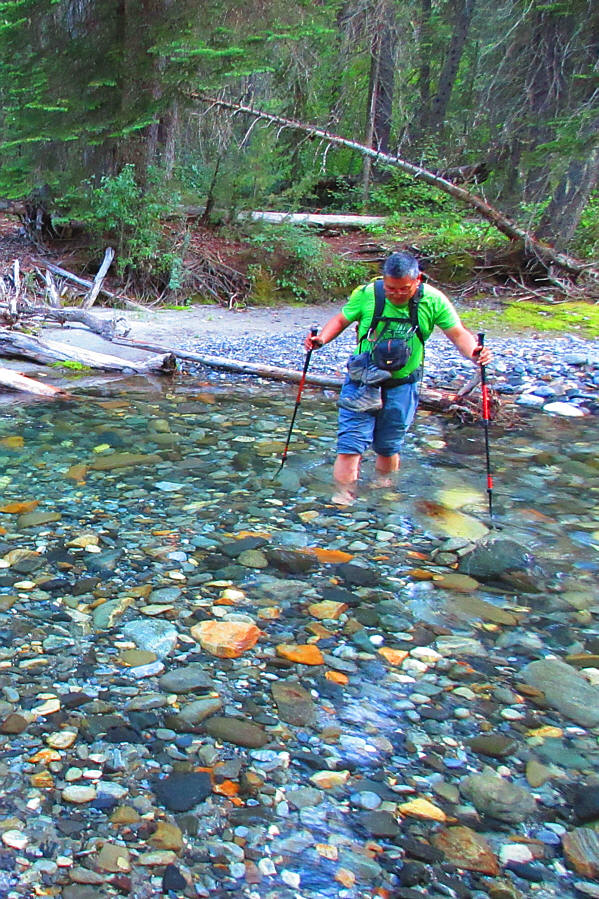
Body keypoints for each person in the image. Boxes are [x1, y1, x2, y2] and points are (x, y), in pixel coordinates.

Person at [305, 251, 491, 504]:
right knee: (350, 444)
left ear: (418, 280)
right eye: (391, 288)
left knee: (388, 444)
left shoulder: (434, 301)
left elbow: (458, 333)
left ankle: (382, 492)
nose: (396, 294)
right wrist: (321, 340)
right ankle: (343, 499)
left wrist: (474, 353)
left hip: (403, 384)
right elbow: (341, 319)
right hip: (362, 382)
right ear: (384, 280)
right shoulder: (368, 294)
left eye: (403, 289)